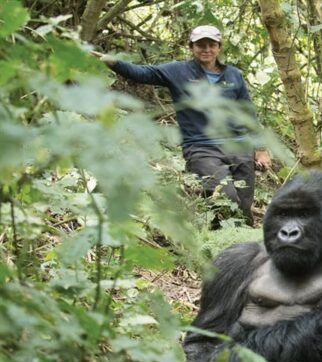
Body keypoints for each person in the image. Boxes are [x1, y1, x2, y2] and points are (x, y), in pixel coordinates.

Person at [93, 25, 271, 226]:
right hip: (202, 148)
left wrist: (261, 149)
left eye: (211, 45)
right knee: (225, 197)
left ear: (219, 47)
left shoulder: (233, 75)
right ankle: (219, 246)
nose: (206, 49)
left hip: (240, 147)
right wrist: (111, 61)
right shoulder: (177, 71)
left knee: (244, 207)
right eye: (200, 45)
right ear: (191, 47)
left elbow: (247, 112)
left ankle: (241, 250)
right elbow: (141, 73)